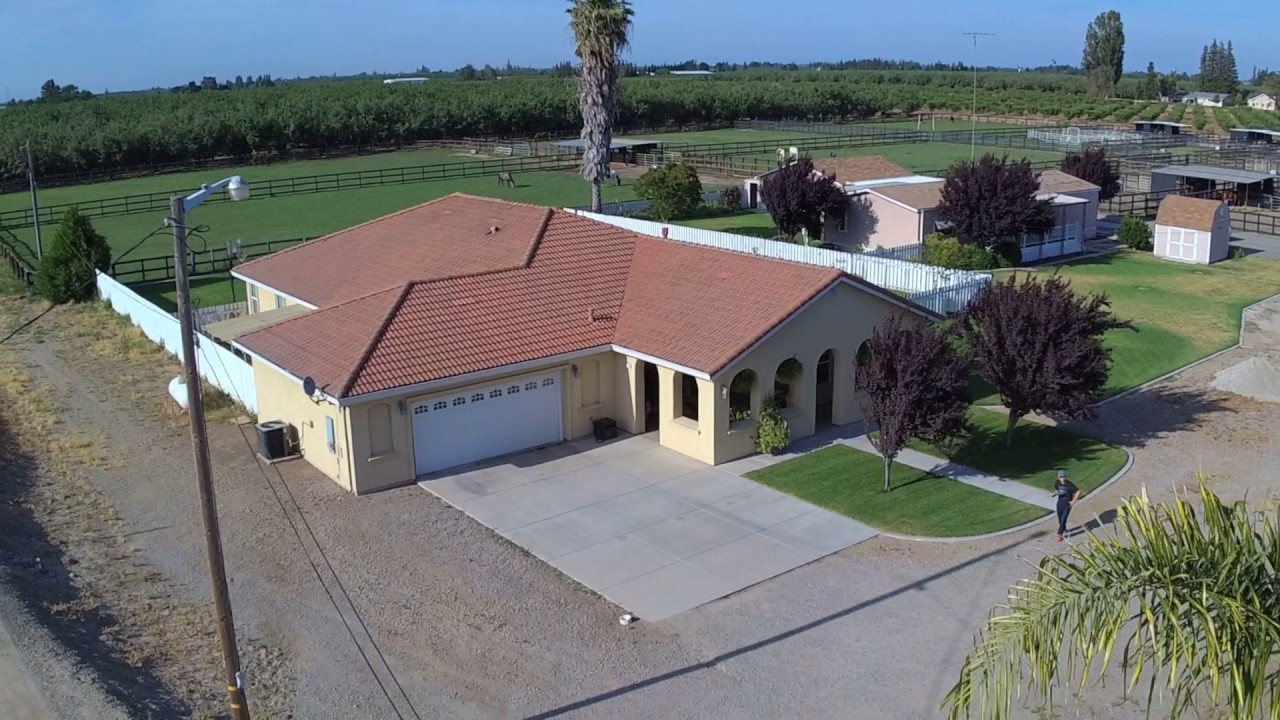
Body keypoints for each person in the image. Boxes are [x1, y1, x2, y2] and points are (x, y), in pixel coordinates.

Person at [1053, 469, 1081, 542]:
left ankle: (1059, 534)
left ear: (1065, 477)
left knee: (1063, 519)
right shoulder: (1057, 482)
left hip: (1067, 504)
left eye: (1063, 477)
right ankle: (1063, 528)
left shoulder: (1069, 484)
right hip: (1059, 502)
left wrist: (1073, 501)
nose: (1062, 479)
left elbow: (1078, 491)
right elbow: (1056, 489)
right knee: (1060, 518)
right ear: (1058, 477)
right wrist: (1057, 492)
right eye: (1060, 477)